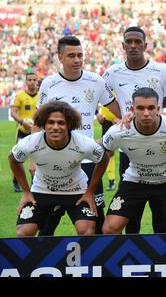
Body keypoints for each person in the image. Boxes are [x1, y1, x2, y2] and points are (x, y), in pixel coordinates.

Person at [37, 35, 121, 235]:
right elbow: (39, 124)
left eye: (80, 55)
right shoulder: (49, 84)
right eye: (71, 55)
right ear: (60, 57)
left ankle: (100, 261)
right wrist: (35, 158)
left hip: (88, 161)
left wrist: (110, 136)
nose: (77, 60)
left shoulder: (96, 81)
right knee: (48, 221)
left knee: (95, 217)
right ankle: (41, 261)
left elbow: (120, 113)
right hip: (55, 160)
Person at [103, 26, 166, 234]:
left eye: (138, 42)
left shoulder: (162, 71)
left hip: (157, 140)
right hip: (130, 143)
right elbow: (106, 100)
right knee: (131, 208)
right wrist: (121, 117)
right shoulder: (112, 73)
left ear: (145, 45)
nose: (134, 46)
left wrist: (164, 116)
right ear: (123, 46)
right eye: (129, 42)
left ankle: (160, 247)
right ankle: (133, 248)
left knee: (160, 209)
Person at [9, 100, 109, 237]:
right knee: (23, 232)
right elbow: (13, 159)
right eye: (50, 122)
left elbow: (104, 158)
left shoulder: (83, 143)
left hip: (77, 192)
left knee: (87, 230)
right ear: (43, 123)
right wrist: (26, 192)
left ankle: (86, 258)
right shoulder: (31, 143)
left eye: (61, 122)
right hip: (42, 191)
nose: (55, 127)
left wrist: (90, 191)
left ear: (69, 124)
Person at [102, 88, 166, 234]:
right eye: (140, 108)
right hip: (135, 181)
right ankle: (124, 256)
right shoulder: (118, 131)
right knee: (109, 229)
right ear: (132, 109)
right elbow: (104, 148)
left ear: (158, 109)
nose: (146, 113)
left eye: (151, 108)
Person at [10, 71, 39, 192]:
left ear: (37, 81)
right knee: (19, 157)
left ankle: (34, 182)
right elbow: (13, 112)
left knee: (37, 156)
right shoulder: (20, 96)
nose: (32, 82)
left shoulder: (41, 96)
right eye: (29, 80)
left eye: (34, 80)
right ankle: (16, 181)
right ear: (26, 81)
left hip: (37, 131)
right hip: (23, 130)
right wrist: (22, 122)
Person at [96, 103, 119, 191]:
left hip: (120, 122)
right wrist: (97, 114)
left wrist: (120, 118)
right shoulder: (103, 89)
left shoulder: (118, 89)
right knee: (108, 153)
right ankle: (111, 180)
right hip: (106, 122)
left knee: (127, 149)